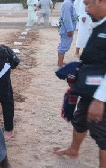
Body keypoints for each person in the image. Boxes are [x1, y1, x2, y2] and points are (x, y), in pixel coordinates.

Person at [53, 0, 106, 166]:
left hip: (102, 93)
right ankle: (73, 149)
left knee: (102, 133)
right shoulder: (99, 24)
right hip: (91, 88)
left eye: (89, 4)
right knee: (80, 118)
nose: (87, 9)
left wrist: (99, 100)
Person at [57, 0, 78, 67]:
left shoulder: (69, 3)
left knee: (63, 44)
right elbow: (67, 18)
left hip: (67, 27)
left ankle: (60, 62)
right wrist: (69, 30)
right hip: (67, 29)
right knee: (64, 45)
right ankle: (60, 63)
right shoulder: (67, 3)